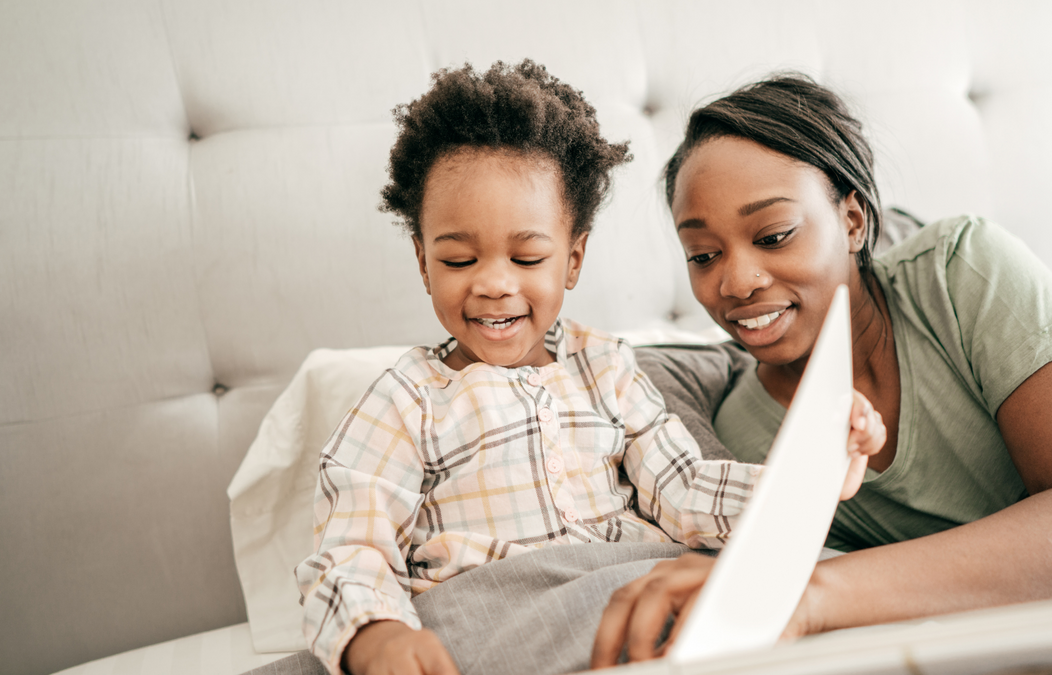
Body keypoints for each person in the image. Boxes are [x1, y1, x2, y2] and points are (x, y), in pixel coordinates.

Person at [293, 61, 886, 675]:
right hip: (491, 610)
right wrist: (378, 634)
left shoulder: (605, 367)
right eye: (459, 259)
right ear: (422, 262)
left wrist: (808, 474)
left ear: (572, 260)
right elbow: (353, 546)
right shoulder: (406, 399)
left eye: (528, 257)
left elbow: (682, 489)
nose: (494, 284)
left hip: (619, 591)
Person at [590, 73, 1052, 668]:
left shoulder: (961, 268)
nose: (736, 281)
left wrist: (809, 597)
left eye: (773, 236)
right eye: (702, 255)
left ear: (852, 222)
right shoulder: (748, 441)